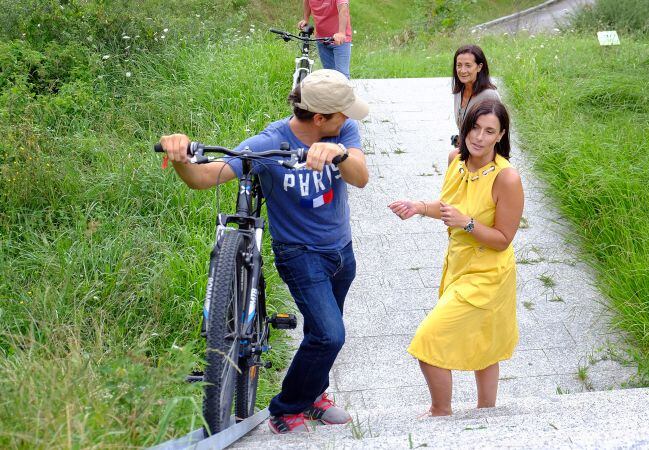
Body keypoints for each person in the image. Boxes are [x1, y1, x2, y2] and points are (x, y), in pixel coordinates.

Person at [158, 69, 370, 434]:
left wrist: (337, 153)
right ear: (319, 118)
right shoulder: (267, 144)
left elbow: (361, 176)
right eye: (342, 113)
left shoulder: (343, 133)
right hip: (299, 254)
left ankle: (315, 395)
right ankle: (286, 408)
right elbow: (204, 178)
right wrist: (180, 157)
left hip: (341, 251)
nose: (348, 118)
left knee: (320, 330)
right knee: (331, 335)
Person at [388, 99, 524, 417]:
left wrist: (468, 223)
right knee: (483, 343)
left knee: (429, 341)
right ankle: (486, 414)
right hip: (457, 266)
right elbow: (450, 207)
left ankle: (440, 411)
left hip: (489, 274)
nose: (479, 137)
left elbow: (503, 240)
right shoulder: (456, 160)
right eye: (474, 128)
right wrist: (419, 206)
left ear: (501, 135)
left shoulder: (507, 179)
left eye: (489, 131)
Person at [450, 45, 500, 147]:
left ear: (479, 67)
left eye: (468, 65)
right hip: (466, 150)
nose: (462, 70)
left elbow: (497, 133)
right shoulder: (459, 92)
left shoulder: (489, 96)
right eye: (459, 65)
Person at [298, 0, 353, 79]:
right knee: (329, 75)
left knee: (342, 77)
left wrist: (341, 33)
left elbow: (343, 9)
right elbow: (307, 1)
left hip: (340, 40)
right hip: (321, 39)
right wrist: (306, 19)